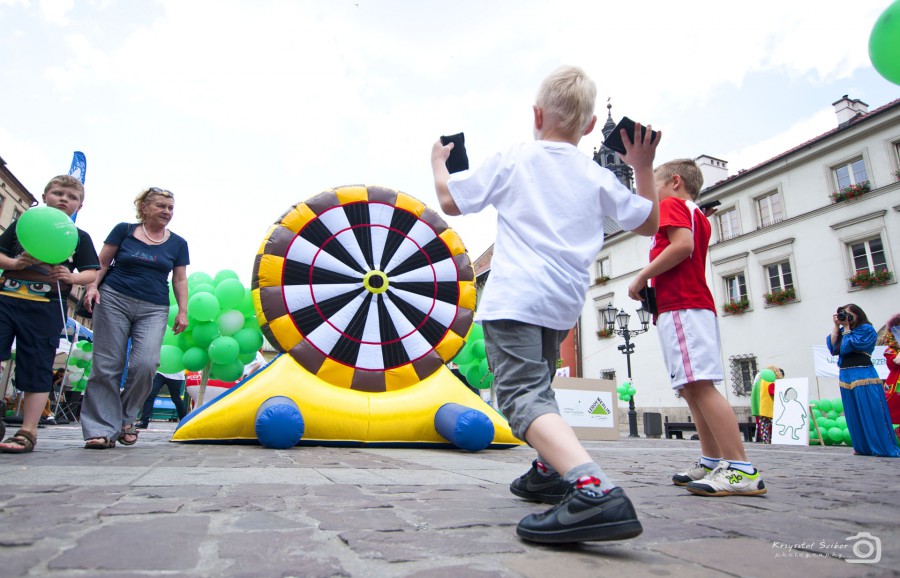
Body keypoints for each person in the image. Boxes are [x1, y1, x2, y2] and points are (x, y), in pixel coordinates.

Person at [431, 65, 660, 543]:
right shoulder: (597, 175)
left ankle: (594, 489)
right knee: (541, 388)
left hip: (516, 298)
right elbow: (647, 223)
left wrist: (438, 163)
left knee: (520, 395)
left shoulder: (516, 158)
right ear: (591, 126)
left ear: (536, 115)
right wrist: (642, 167)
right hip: (561, 307)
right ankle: (548, 470)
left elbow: (452, 202)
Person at [627, 159, 766, 496]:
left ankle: (740, 468)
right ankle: (711, 459)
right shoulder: (695, 213)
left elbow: (683, 246)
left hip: (682, 306)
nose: (650, 194)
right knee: (691, 387)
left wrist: (642, 276)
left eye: (655, 185)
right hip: (685, 307)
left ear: (675, 182)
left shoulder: (672, 205)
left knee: (700, 386)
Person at [80, 187, 189, 449]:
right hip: (113, 299)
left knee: (146, 364)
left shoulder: (178, 243)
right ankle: (100, 429)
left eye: (170, 207)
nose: (166, 211)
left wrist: (183, 310)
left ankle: (126, 418)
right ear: (144, 207)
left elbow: (179, 279)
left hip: (154, 307)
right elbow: (102, 262)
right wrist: (92, 287)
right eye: (160, 205)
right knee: (107, 365)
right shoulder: (124, 230)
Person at [0, 175, 99, 453]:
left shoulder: (78, 237)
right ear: (45, 197)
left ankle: (28, 431)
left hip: (46, 307)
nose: (64, 199)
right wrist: (15, 263)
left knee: (38, 365)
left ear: (79, 205)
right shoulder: (22, 224)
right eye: (57, 193)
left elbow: (91, 271)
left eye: (72, 197)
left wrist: (72, 277)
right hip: (6, 299)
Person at [826, 304, 900, 457]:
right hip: (845, 375)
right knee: (853, 414)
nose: (846, 317)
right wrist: (836, 326)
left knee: (871, 411)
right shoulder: (843, 331)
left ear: (858, 315)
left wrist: (847, 328)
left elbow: (847, 347)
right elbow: (833, 349)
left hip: (863, 374)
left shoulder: (866, 329)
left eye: (849, 314)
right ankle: (862, 446)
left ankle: (881, 447)